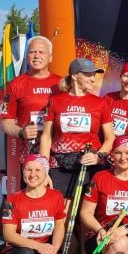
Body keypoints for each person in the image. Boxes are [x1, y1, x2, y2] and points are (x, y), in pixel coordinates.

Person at [0, 154, 65, 254]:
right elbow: (8, 234)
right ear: (23, 172)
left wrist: (54, 249)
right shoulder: (12, 200)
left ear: (46, 173)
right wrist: (39, 246)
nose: (32, 174)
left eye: (38, 170)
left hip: (41, 252)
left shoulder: (56, 196)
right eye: (28, 170)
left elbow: (59, 226)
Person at [40, 58, 114, 198]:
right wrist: (43, 168)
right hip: (59, 166)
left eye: (94, 75)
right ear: (74, 76)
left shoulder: (100, 103)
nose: (93, 79)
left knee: (86, 209)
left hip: (90, 165)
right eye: (88, 75)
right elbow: (46, 137)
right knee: (60, 209)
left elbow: (110, 138)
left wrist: (98, 157)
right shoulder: (56, 101)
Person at [1, 36, 62, 166]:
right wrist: (21, 132)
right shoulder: (14, 84)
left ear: (50, 57)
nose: (36, 56)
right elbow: (6, 123)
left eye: (41, 52)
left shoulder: (62, 84)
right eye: (32, 52)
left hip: (59, 154)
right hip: (30, 153)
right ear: (27, 56)